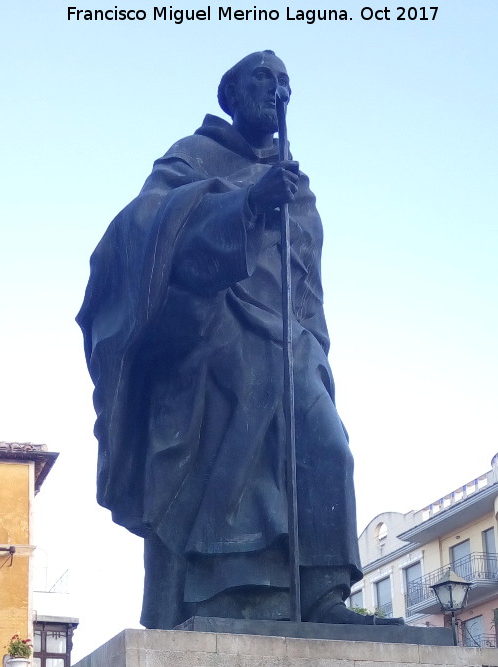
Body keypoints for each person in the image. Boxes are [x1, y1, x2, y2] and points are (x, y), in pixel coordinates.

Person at [77, 50, 403, 628]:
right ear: (230, 93)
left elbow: (308, 281)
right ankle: (228, 591)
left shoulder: (297, 185)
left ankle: (323, 593)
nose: (277, 90)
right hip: (218, 329)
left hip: (292, 339)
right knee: (241, 454)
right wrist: (244, 203)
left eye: (284, 82)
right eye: (262, 77)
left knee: (328, 445)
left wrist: (317, 347)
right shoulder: (194, 156)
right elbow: (141, 227)